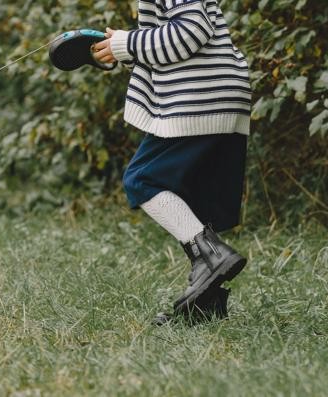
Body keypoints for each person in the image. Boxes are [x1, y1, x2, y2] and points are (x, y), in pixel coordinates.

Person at [90, 0, 251, 324]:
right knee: (192, 203)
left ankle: (212, 256)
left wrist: (128, 43)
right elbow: (175, 35)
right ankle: (206, 306)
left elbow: (191, 31)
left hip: (198, 98)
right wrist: (126, 46)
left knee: (143, 179)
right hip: (218, 93)